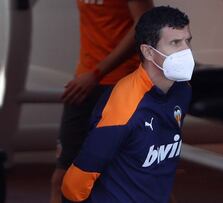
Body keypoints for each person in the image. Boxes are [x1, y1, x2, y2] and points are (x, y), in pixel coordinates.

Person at [61, 6, 193, 203]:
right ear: (148, 52)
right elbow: (74, 185)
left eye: (187, 41)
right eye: (175, 43)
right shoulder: (125, 107)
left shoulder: (182, 90)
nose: (186, 51)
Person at [50, 1, 153, 203]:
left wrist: (97, 73)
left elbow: (146, 25)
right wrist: (92, 75)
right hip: (85, 83)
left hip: (123, 84)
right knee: (62, 178)